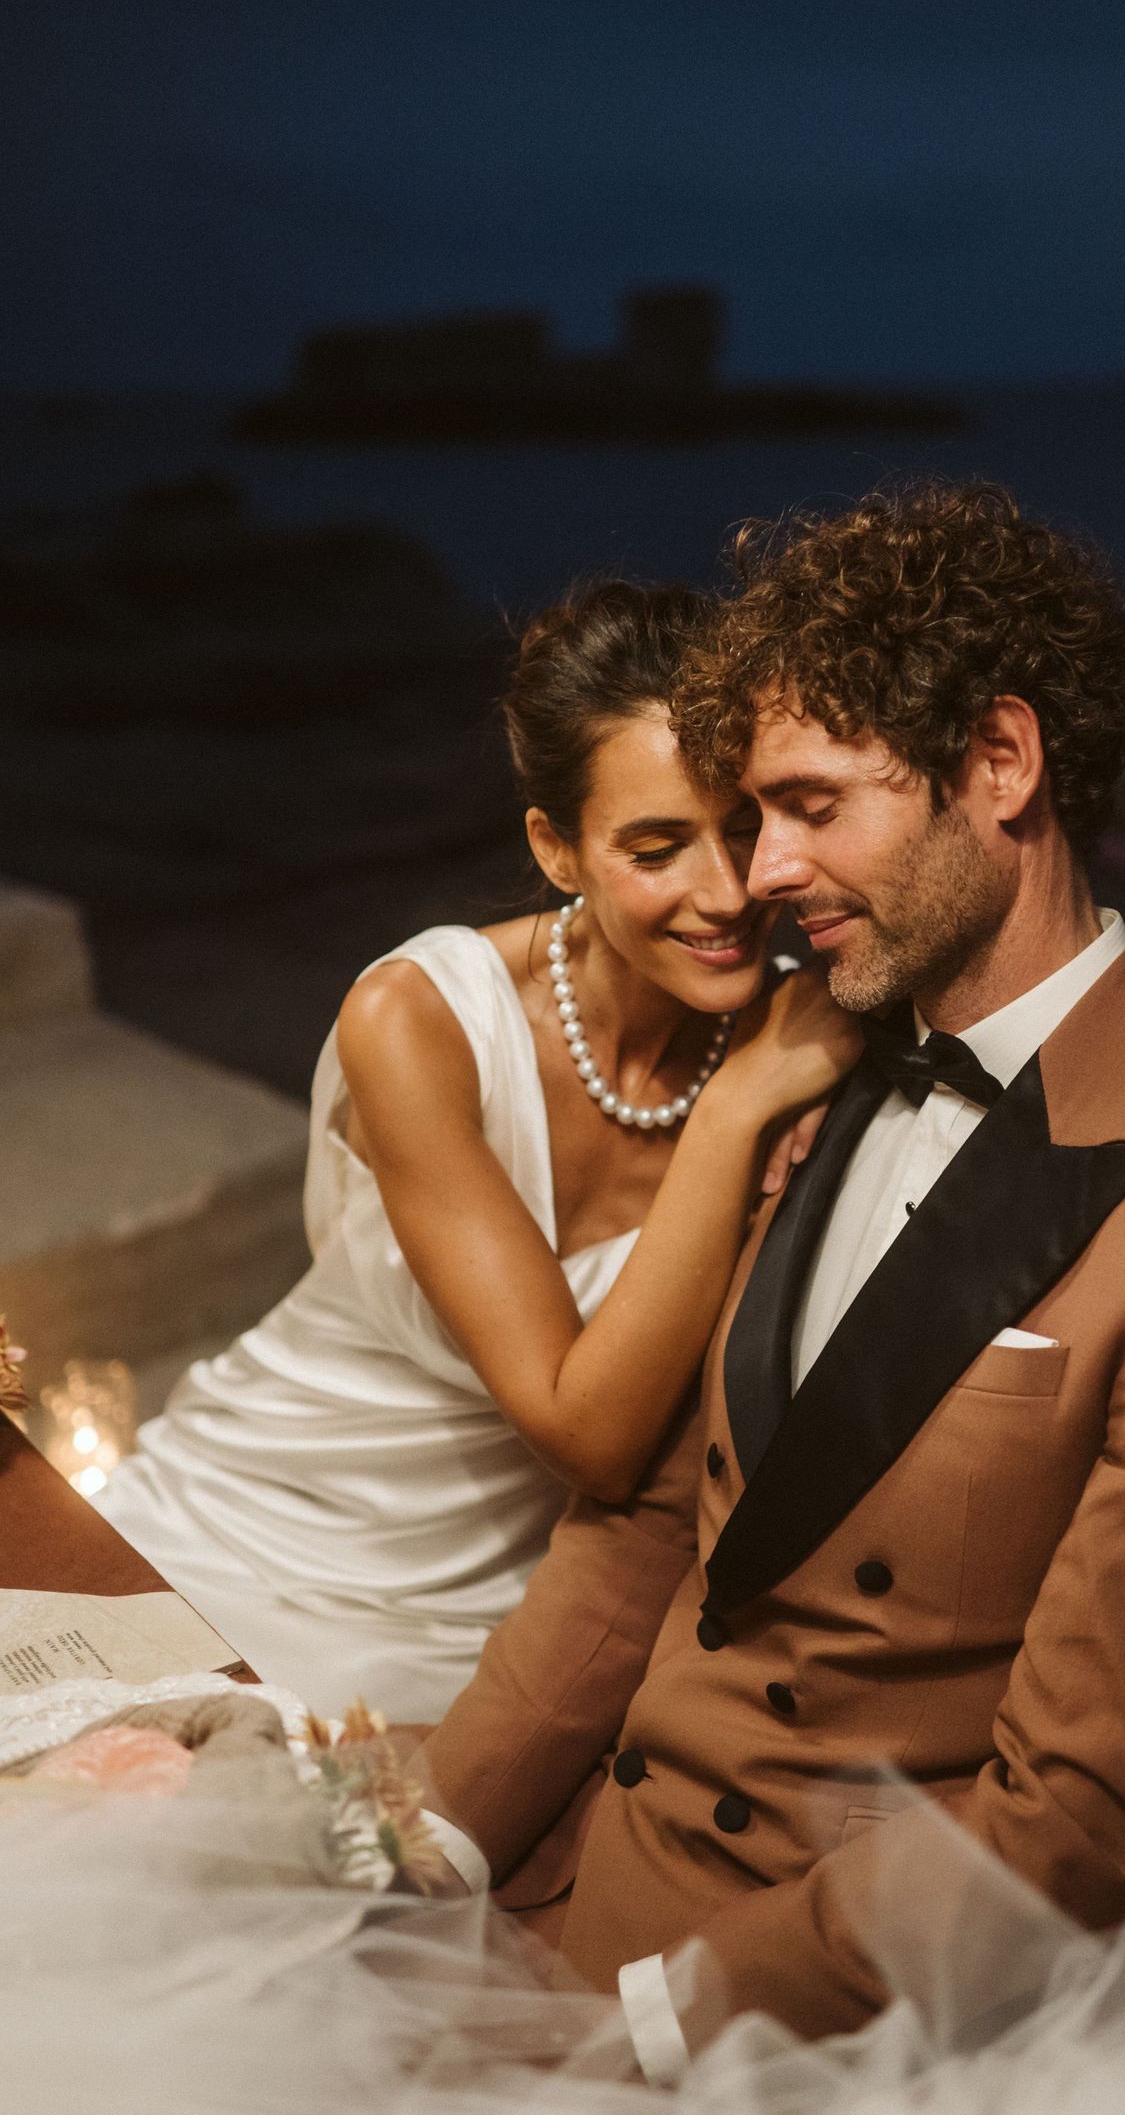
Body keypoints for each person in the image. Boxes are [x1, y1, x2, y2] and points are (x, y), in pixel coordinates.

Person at [414, 483, 1125, 2081]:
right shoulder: (816, 1064)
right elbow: (656, 1527)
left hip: (857, 2013)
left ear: (999, 764)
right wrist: (433, 1837)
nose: (759, 873)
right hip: (584, 1865)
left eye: (806, 806)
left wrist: (656, 2022)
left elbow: (1081, 1816)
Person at [98, 582, 859, 1723]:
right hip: (245, 1521)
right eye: (656, 847)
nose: (726, 892)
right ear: (557, 849)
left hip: (497, 1615)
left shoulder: (810, 1033)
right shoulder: (418, 1020)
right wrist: (737, 1108)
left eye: (747, 827)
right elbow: (587, 1436)